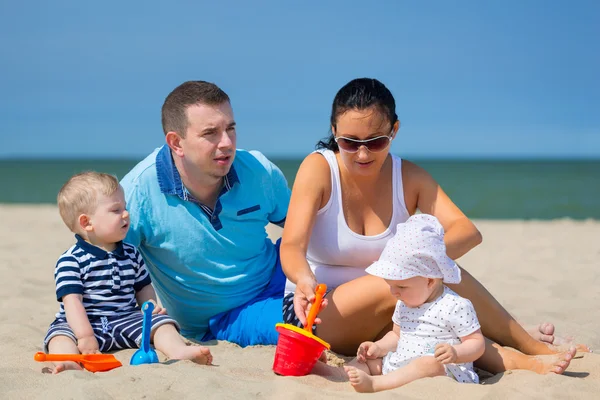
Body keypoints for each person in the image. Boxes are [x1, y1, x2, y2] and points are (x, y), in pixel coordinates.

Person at [280, 77, 581, 374]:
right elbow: (292, 246)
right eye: (349, 142)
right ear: (334, 132)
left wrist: (418, 260)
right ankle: (529, 343)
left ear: (394, 131)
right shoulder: (318, 169)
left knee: (438, 301)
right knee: (420, 274)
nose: (362, 153)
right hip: (320, 311)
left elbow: (467, 232)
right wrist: (304, 279)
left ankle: (523, 356)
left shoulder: (408, 176)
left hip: (394, 307)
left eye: (376, 142)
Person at [121, 81, 291, 346]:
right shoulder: (137, 191)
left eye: (230, 129)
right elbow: (108, 268)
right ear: (176, 142)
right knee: (317, 320)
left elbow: (302, 228)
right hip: (228, 316)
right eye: (211, 133)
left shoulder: (258, 169)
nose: (227, 143)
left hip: (282, 273)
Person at [43, 172, 212, 374]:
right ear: (87, 223)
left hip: (125, 318)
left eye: (124, 207)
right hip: (85, 321)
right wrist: (85, 336)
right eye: (116, 210)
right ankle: (69, 363)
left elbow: (143, 287)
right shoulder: (71, 260)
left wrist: (150, 306)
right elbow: (73, 303)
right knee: (59, 336)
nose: (126, 214)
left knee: (162, 324)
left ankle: (178, 351)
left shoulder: (131, 253)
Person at [343, 214, 485, 392]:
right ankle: (339, 374)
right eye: (391, 285)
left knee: (427, 363)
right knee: (367, 361)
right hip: (401, 364)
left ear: (430, 281)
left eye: (401, 286)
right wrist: (378, 347)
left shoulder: (455, 306)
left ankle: (376, 384)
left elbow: (476, 342)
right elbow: (396, 336)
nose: (393, 292)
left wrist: (456, 353)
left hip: (443, 370)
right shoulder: (404, 303)